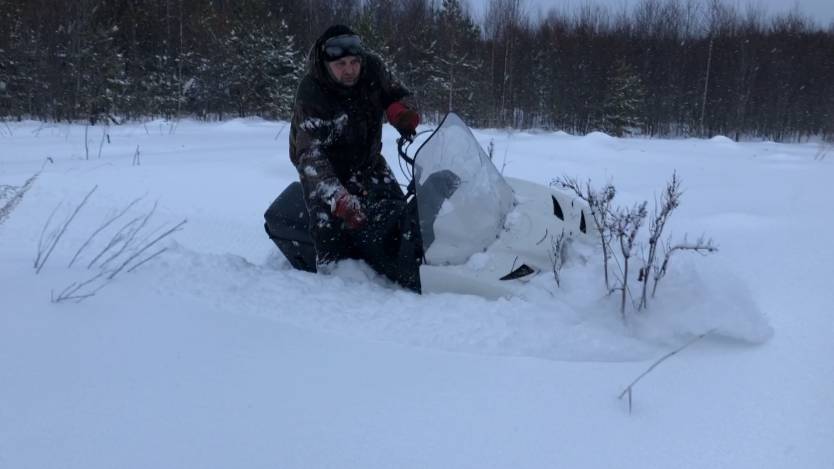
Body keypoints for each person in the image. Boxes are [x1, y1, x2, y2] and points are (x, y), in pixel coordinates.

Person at [288, 25, 422, 291]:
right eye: (341, 64)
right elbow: (310, 157)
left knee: (403, 218)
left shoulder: (372, 70)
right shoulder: (312, 93)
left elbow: (397, 93)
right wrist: (339, 198)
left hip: (368, 162)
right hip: (326, 173)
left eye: (354, 62)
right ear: (326, 64)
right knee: (333, 249)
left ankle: (412, 269)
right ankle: (336, 298)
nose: (350, 70)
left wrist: (400, 110)